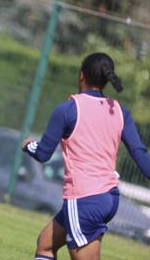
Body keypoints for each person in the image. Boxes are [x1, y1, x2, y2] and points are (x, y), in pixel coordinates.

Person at [22, 52, 150, 260]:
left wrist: (28, 146)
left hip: (84, 198)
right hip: (108, 197)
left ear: (81, 75)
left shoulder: (68, 109)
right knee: (45, 244)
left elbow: (43, 153)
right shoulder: (119, 111)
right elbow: (143, 159)